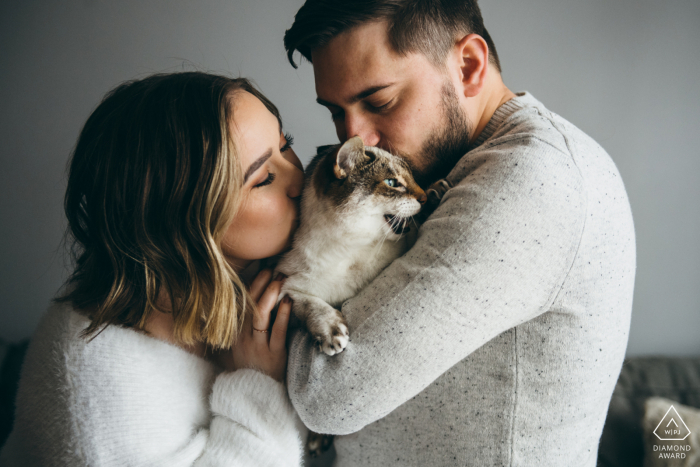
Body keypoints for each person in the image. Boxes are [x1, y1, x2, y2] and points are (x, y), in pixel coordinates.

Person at [283, 1, 636, 466]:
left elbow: (327, 394)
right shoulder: (461, 169)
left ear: (468, 66)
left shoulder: (530, 180)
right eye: (336, 113)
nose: (356, 138)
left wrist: (258, 327)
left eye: (379, 102)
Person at [0, 72, 307, 466]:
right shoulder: (98, 392)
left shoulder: (253, 273)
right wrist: (257, 385)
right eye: (264, 177)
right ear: (183, 223)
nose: (300, 178)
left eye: (287, 145)